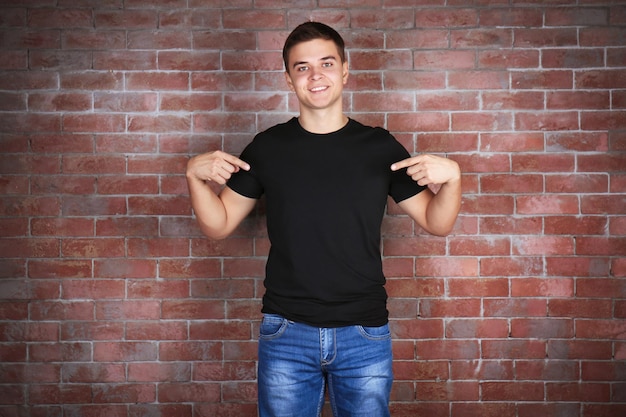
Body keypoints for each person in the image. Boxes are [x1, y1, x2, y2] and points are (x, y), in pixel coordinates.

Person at [186, 21, 461, 417]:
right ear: (289, 79)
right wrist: (194, 177)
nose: (316, 75)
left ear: (345, 71)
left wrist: (454, 180)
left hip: (364, 332)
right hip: (286, 332)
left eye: (327, 64)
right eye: (302, 67)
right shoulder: (268, 147)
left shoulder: (379, 147)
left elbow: (437, 221)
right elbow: (220, 223)